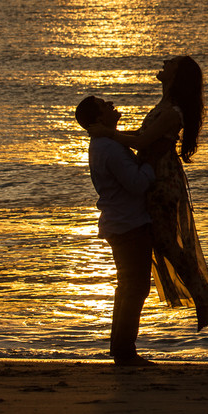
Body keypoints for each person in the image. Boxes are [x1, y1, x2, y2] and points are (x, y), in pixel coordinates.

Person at [93, 56, 208, 332]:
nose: (165, 61)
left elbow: (141, 142)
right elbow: (141, 135)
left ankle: (202, 292)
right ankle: (200, 292)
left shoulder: (172, 112)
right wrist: (110, 134)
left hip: (162, 178)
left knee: (165, 240)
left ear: (178, 74)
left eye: (171, 62)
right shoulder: (163, 106)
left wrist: (106, 134)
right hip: (154, 174)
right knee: (161, 239)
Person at [75, 95, 158, 367]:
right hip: (128, 223)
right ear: (99, 118)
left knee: (128, 287)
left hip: (120, 222)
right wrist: (151, 164)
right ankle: (125, 351)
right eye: (104, 105)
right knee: (135, 288)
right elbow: (136, 184)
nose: (110, 104)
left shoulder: (106, 143)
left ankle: (121, 348)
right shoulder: (109, 148)